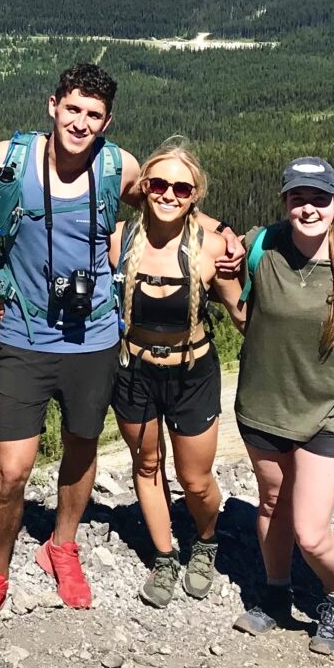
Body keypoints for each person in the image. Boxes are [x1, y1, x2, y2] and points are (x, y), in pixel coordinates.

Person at [0, 63, 242, 636]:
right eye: (73, 109)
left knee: (82, 448)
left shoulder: (118, 167)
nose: (81, 123)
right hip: (26, 336)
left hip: (95, 337)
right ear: (52, 105)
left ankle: (63, 546)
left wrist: (224, 230)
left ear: (107, 121)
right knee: (11, 470)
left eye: (94, 115)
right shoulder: (12, 158)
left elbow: (167, 199)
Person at [220, 157, 334, 656]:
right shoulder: (263, 245)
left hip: (330, 413)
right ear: (285, 202)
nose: (309, 208)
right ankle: (275, 593)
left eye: (320, 198)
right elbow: (243, 313)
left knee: (310, 529)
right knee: (272, 504)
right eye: (299, 198)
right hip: (262, 408)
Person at [106, 141, 238, 609]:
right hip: (134, 371)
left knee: (196, 479)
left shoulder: (213, 247)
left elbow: (241, 312)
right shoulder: (119, 240)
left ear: (194, 193)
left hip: (192, 372)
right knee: (146, 465)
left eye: (181, 187)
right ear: (143, 188)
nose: (168, 194)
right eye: (158, 184)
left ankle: (204, 542)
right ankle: (165, 556)